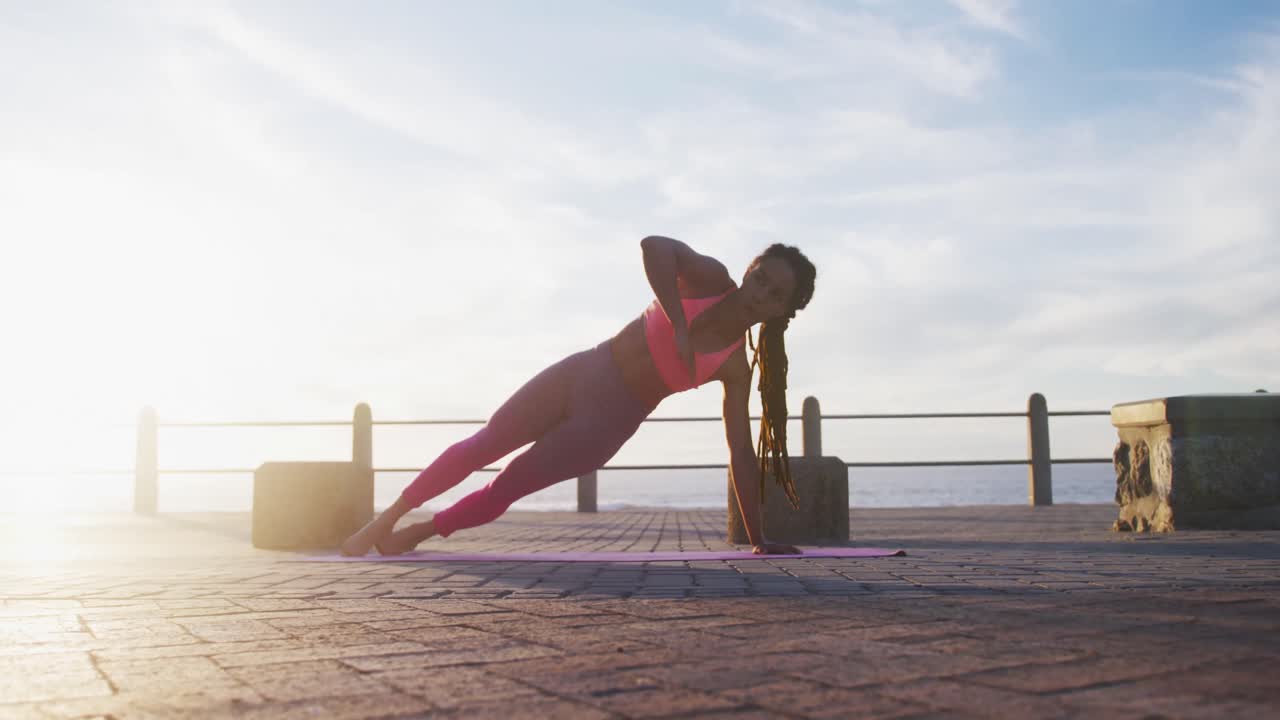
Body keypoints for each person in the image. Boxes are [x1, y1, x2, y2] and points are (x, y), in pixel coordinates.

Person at [340, 235, 817, 556]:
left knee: (506, 486)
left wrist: (759, 539)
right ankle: (388, 519)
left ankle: (424, 531)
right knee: (484, 443)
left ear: (780, 312)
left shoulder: (735, 365)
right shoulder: (710, 278)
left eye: (775, 294)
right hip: (585, 369)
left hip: (608, 424)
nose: (760, 294)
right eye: (760, 279)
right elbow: (654, 247)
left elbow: (738, 449)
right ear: (749, 271)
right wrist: (678, 325)